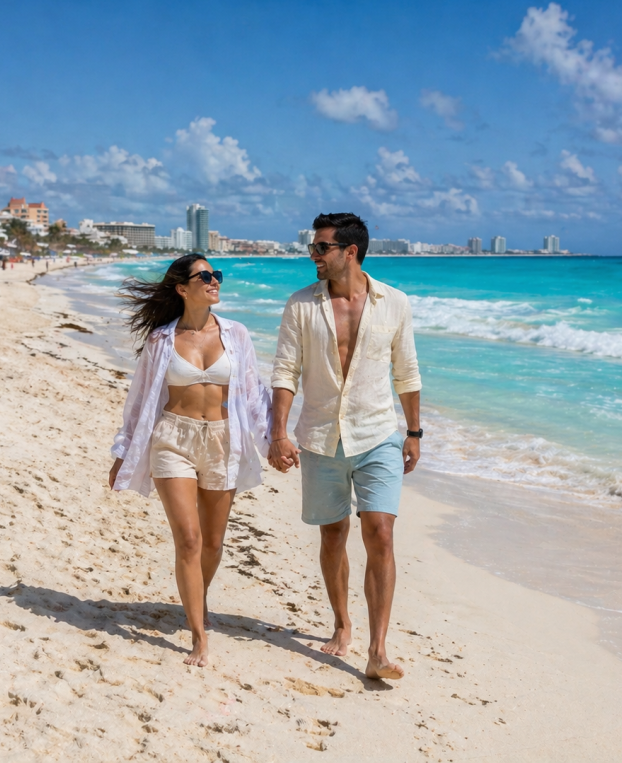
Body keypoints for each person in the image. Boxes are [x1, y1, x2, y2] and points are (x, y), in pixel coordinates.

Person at [268, 213, 422, 681]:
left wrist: (414, 432)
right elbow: (284, 372)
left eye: (320, 248)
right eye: (313, 247)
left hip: (377, 433)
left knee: (381, 532)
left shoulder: (394, 303)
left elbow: (407, 372)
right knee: (332, 535)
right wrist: (279, 431)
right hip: (319, 436)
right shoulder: (301, 306)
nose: (312, 255)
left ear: (349, 252)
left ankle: (377, 650)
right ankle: (341, 624)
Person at [109, 254, 271, 667]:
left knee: (214, 543)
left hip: (222, 441)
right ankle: (199, 635)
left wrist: (276, 441)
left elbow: (254, 396)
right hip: (172, 441)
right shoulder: (161, 340)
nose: (215, 281)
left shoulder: (237, 334)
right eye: (205, 276)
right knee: (190, 539)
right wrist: (124, 451)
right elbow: (139, 399)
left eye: (217, 275)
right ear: (183, 288)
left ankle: (195, 600)